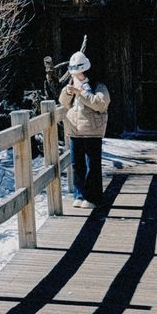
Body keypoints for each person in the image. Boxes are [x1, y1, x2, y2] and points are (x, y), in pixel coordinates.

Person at [59, 38, 110, 208]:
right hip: (75, 131)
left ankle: (93, 197)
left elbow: (101, 103)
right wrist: (68, 92)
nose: (76, 76)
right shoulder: (72, 85)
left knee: (92, 166)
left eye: (78, 73)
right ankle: (79, 195)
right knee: (77, 165)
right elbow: (63, 102)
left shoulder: (97, 86)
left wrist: (81, 93)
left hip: (93, 131)